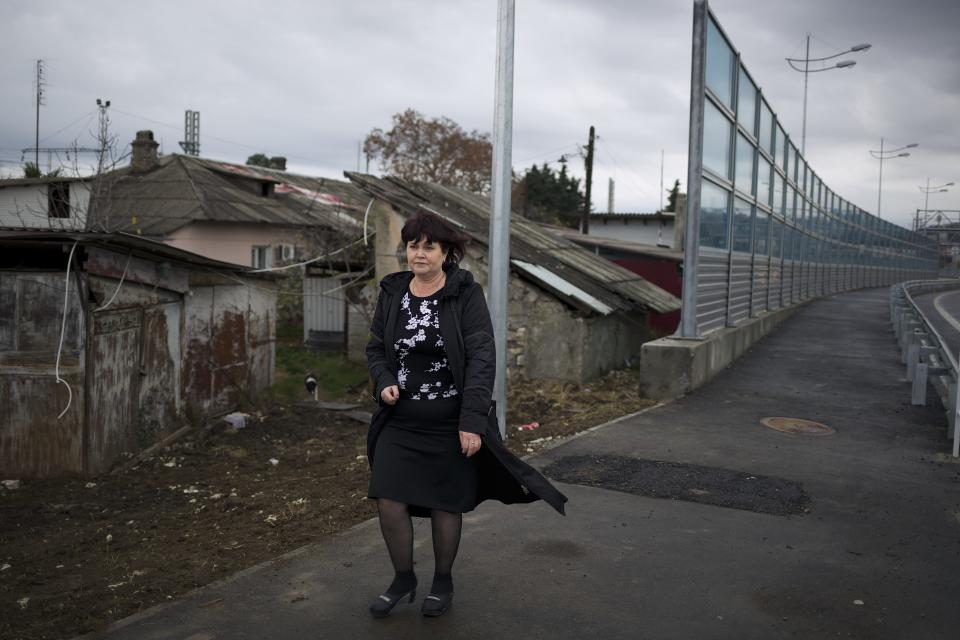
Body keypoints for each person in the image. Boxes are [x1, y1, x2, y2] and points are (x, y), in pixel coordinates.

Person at [365, 210, 567, 619]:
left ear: (445, 253)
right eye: (412, 246)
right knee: (389, 501)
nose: (418, 255)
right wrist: (383, 378)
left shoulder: (463, 294)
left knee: (445, 505)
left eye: (428, 247)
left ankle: (443, 580)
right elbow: (374, 348)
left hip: (449, 421)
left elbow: (481, 357)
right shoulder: (393, 293)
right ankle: (403, 578)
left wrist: (472, 421)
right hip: (400, 420)